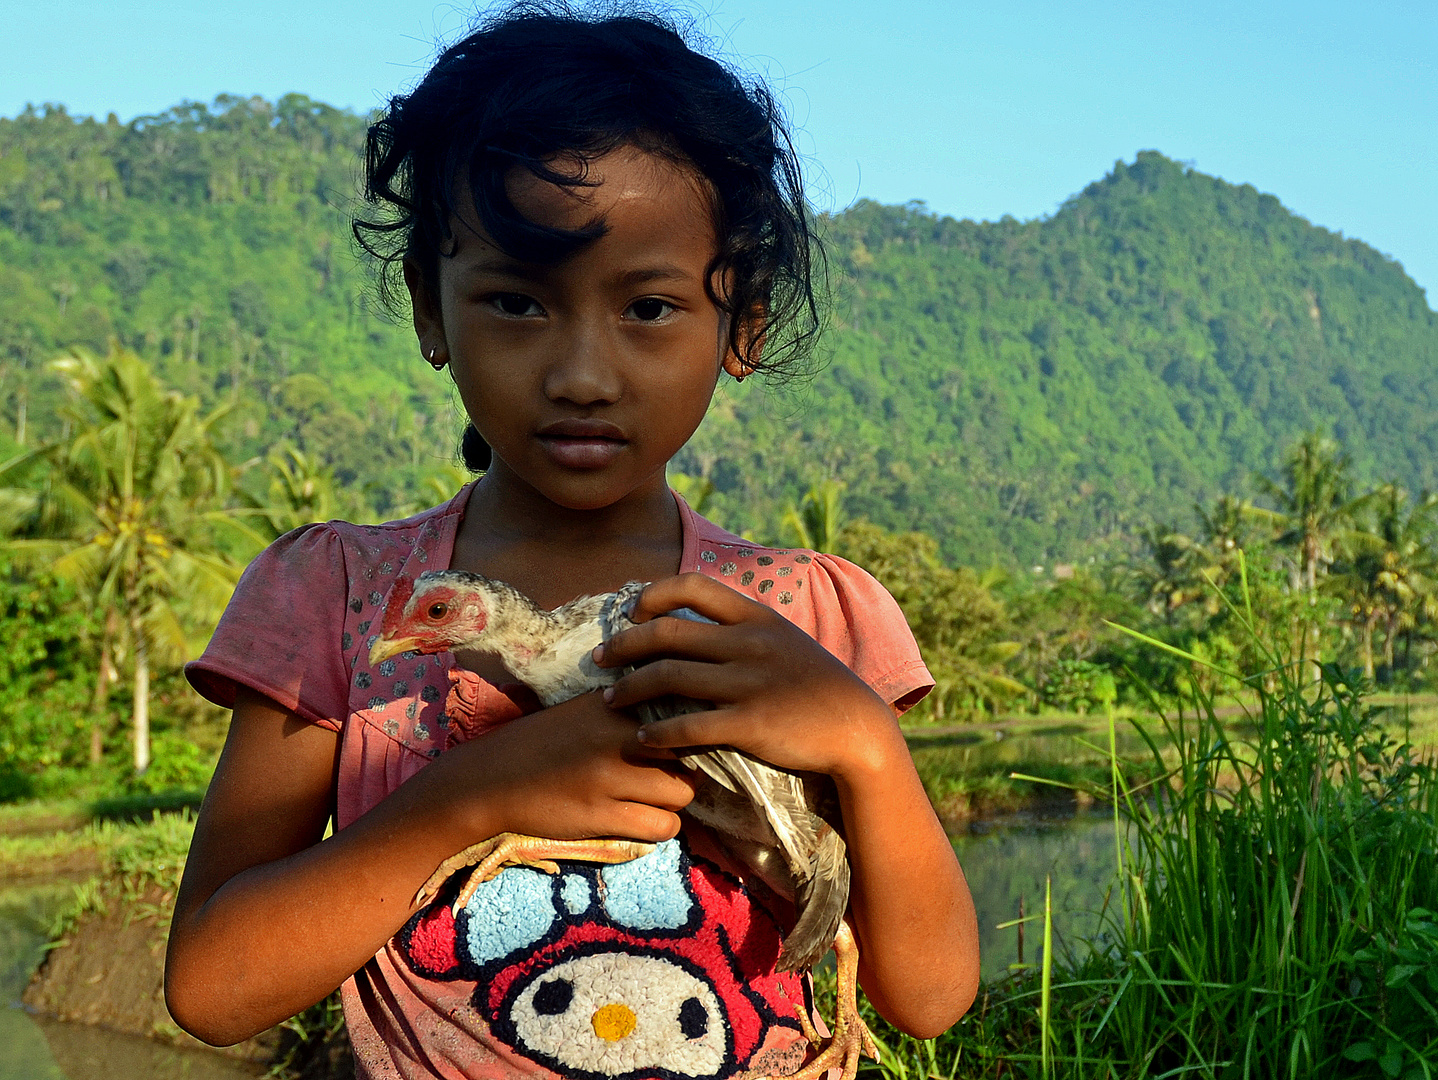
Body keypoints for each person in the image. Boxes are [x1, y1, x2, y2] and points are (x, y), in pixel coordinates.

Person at [162, 9, 979, 1078]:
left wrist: (864, 745)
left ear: (747, 325)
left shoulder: (809, 613)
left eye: (647, 307)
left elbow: (931, 994)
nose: (582, 372)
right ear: (430, 311)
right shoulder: (342, 597)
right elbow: (213, 990)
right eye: (515, 301)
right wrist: (470, 796)